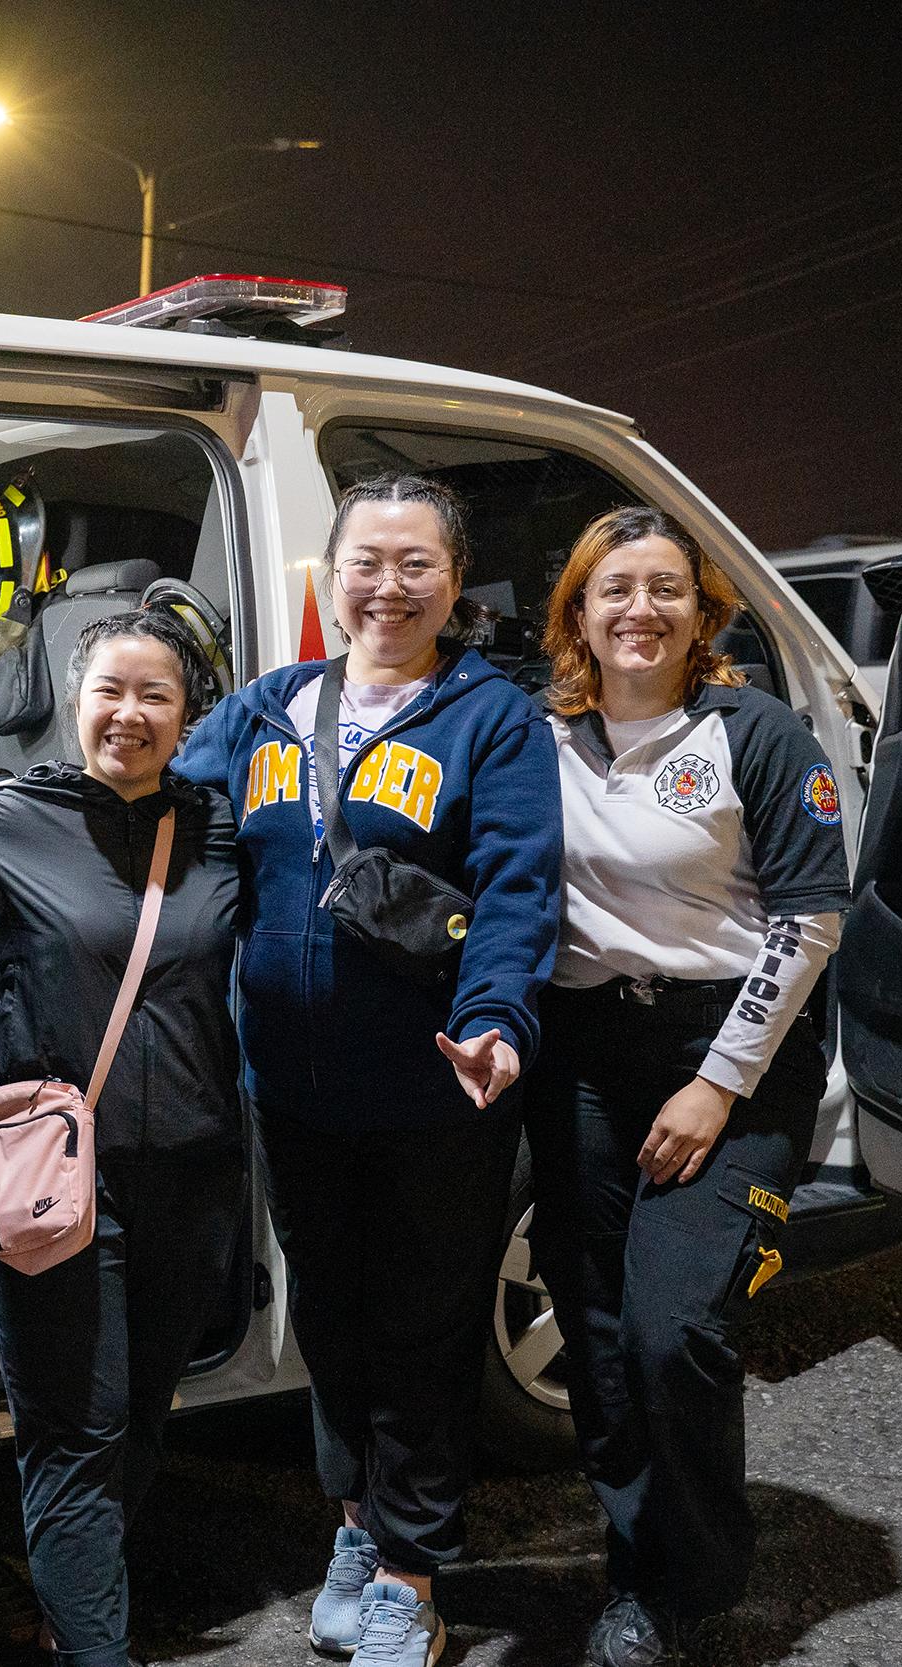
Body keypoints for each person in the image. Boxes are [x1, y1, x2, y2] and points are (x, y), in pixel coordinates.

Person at [173, 475, 563, 1667]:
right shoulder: (266, 710)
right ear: (326, 576)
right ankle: (356, 1525)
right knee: (331, 1326)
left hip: (433, 1092)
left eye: (415, 565)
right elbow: (145, 807)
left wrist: (498, 1015)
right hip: (291, 1090)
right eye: (364, 561)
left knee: (424, 1332)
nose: (386, 586)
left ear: (455, 583)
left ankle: (407, 1572)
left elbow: (517, 885)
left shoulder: (487, 718)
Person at [524, 507, 849, 1667]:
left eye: (666, 588)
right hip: (580, 1053)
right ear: (578, 611)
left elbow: (811, 915)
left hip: (728, 1056)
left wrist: (716, 1083)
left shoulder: (752, 730)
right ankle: (636, 1577)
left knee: (676, 1332)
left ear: (701, 609)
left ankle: (701, 1570)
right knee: (599, 1332)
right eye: (614, 589)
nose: (639, 610)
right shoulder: (539, 735)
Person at [0, 608, 245, 1667]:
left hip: (195, 1168)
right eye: (109, 691)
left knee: (139, 1410)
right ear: (73, 704)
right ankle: (94, 1646)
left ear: (186, 715)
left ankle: (77, 1603)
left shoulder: (219, 828)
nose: (128, 713)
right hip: (54, 1172)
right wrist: (16, 1044)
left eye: (154, 695)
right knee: (76, 1425)